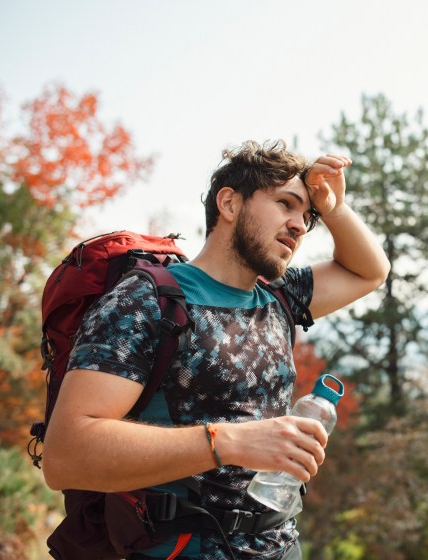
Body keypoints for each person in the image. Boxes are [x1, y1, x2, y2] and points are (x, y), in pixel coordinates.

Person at [41, 140, 391, 559]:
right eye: (285, 204)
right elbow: (65, 457)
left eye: (307, 216)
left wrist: (332, 207)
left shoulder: (280, 296)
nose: (299, 225)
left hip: (281, 546)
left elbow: (371, 271)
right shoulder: (147, 300)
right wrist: (228, 442)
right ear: (229, 203)